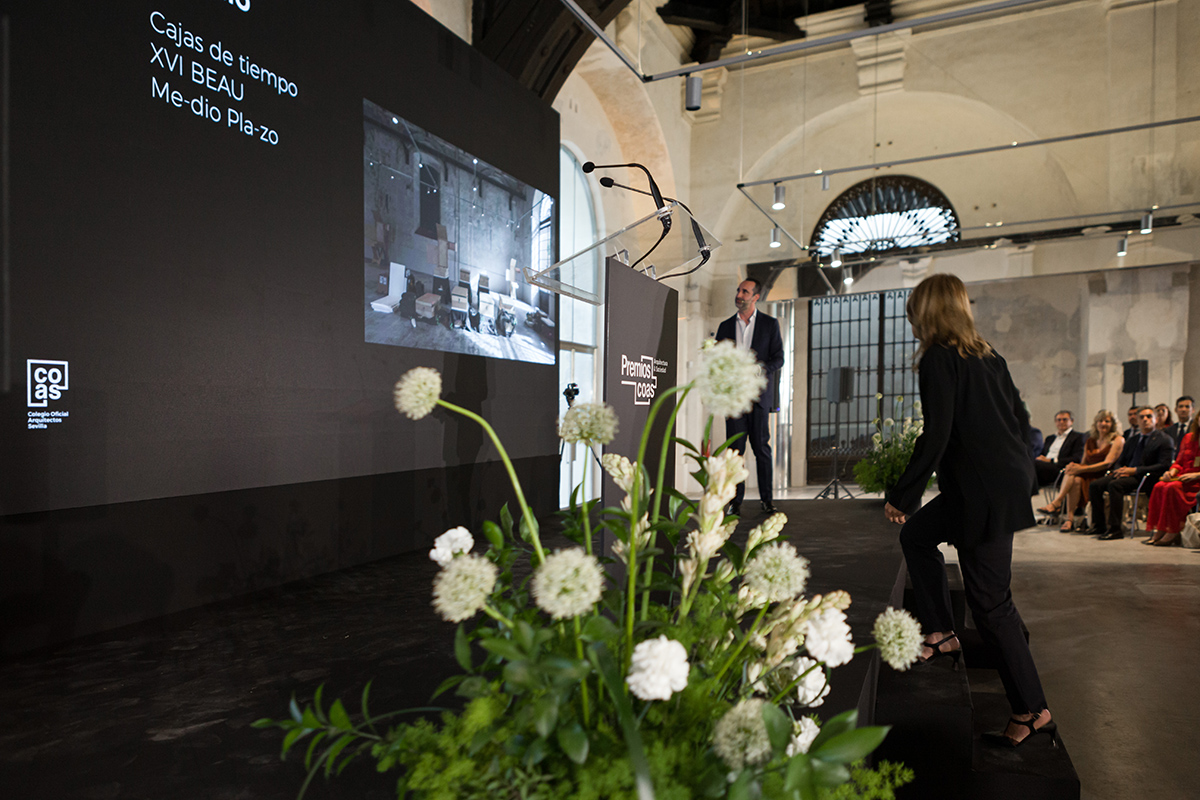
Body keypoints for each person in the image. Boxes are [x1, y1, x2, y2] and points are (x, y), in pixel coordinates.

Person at [883, 273, 1053, 748]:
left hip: (983, 493)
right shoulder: (989, 355)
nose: (911, 321)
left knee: (991, 603)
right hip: (989, 487)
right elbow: (1020, 421)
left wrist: (903, 494)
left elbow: (936, 435)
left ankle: (1032, 710)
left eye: (914, 311)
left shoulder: (939, 357)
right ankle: (942, 632)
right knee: (917, 536)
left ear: (929, 312)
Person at [716, 278, 784, 516]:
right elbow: (717, 359)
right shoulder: (725, 326)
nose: (739, 294)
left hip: (758, 398)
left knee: (761, 449)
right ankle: (735, 501)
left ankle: (767, 500)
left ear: (756, 297)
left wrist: (760, 368)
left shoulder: (769, 324)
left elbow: (779, 358)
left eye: (745, 291)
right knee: (735, 452)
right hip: (734, 399)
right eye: (739, 290)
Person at [1086, 406, 1175, 540]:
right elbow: (1120, 460)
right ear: (1137, 421)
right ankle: (1099, 525)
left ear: (1156, 419)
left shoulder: (1164, 439)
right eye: (1141, 417)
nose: (1145, 420)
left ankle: (1115, 529)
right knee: (1095, 485)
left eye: (1149, 417)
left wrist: (1135, 470)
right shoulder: (1133, 440)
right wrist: (1120, 470)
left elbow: (1164, 465)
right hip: (1127, 475)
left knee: (1115, 485)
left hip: (1146, 477)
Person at [1040, 410, 1125, 532]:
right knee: (1072, 474)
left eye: (1107, 421)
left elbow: (1107, 463)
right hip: (1088, 472)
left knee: (1074, 474)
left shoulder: (1117, 440)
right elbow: (1083, 462)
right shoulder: (1090, 440)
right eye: (1100, 421)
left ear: (1113, 424)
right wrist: (1074, 466)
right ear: (1096, 423)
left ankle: (1058, 503)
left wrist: (1081, 468)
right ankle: (1069, 519)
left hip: (1105, 474)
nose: (1103, 424)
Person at [1143, 415, 1200, 546]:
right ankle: (1161, 529)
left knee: (1172, 487)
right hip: (1183, 477)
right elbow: (1179, 462)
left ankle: (1173, 529)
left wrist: (1196, 475)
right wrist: (1171, 472)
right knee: (1159, 486)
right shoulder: (1188, 437)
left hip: (1197, 480)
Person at [1032, 410, 1084, 491]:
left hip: (1061, 468)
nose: (1061, 422)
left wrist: (1051, 460)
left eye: (1065, 419)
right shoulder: (1050, 438)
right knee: (1026, 463)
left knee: (1032, 466)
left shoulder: (1078, 437)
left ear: (1072, 421)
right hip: (1043, 467)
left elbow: (1077, 458)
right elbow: (1042, 454)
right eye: (1058, 420)